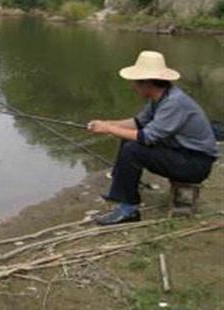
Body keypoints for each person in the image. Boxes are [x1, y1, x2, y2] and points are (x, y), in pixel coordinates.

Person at [87, 50, 218, 226]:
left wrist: (109, 129)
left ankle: (129, 210)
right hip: (182, 153)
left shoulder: (174, 102)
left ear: (147, 83)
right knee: (128, 140)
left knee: (133, 149)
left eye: (136, 82)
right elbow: (138, 123)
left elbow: (147, 137)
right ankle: (121, 190)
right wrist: (106, 124)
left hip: (195, 163)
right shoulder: (160, 97)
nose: (133, 86)